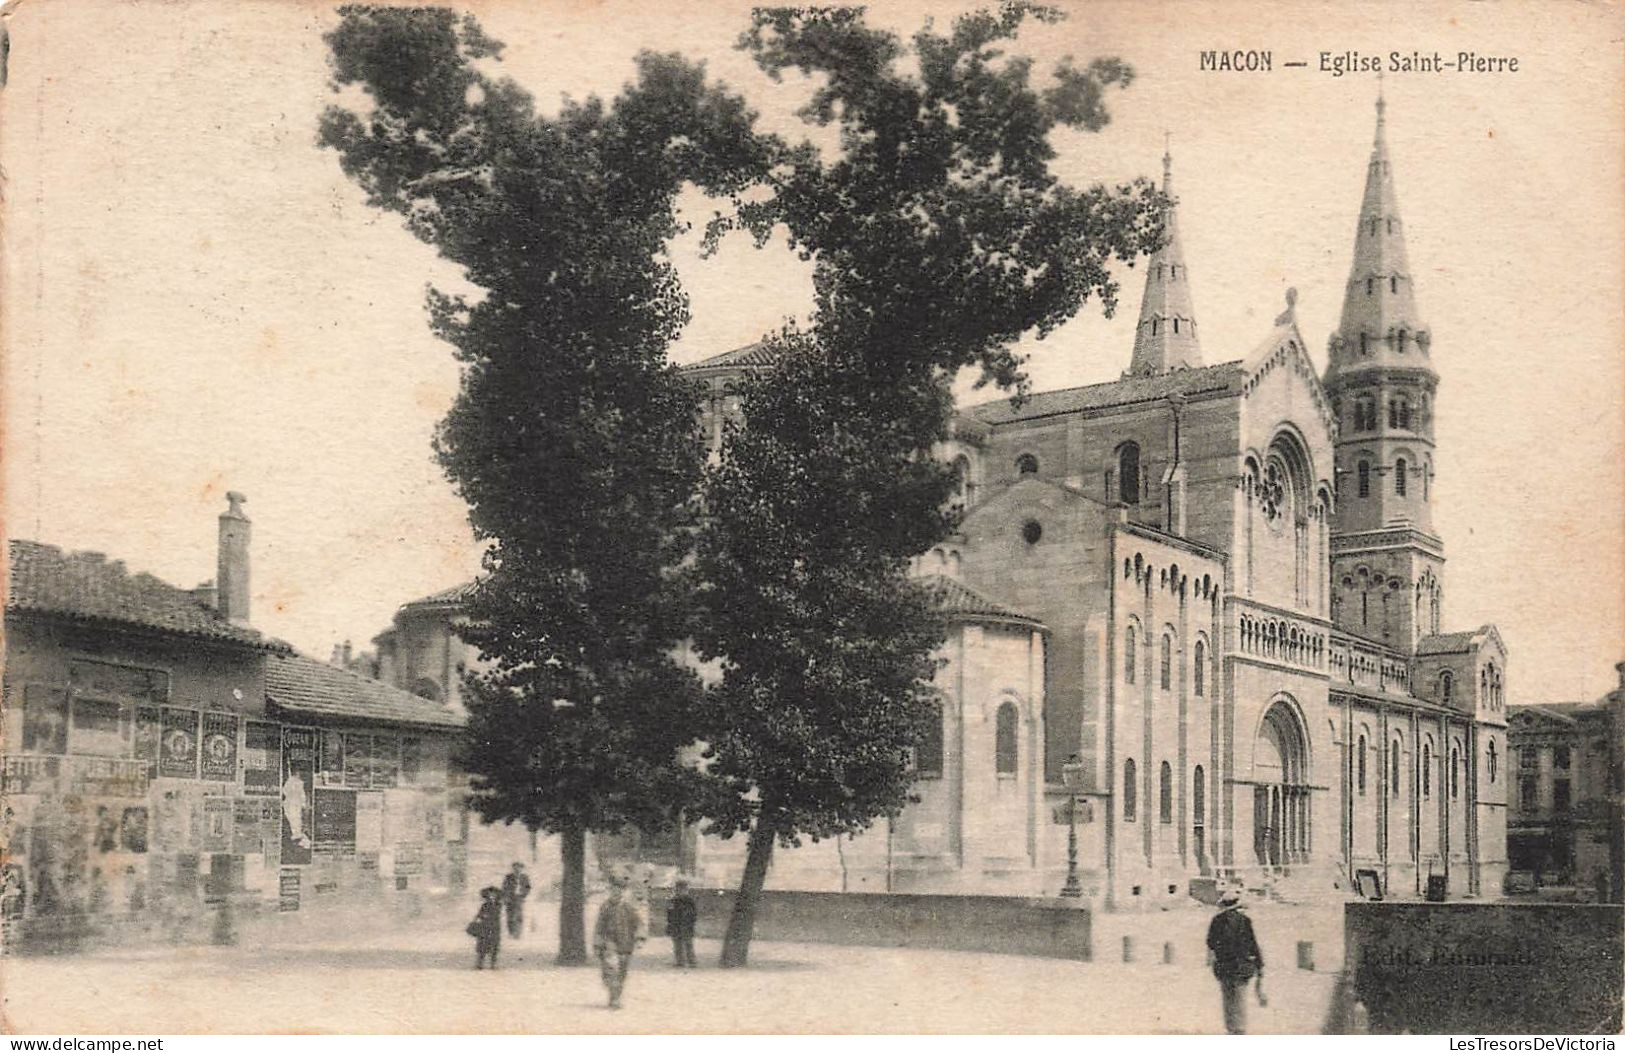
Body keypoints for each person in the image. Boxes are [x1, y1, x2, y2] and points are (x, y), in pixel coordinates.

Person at [1206, 888, 1264, 1034]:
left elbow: (1210, 943)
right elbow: (1253, 944)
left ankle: (1230, 1029)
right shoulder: (1244, 921)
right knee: (1240, 998)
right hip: (1241, 966)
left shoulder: (1216, 921)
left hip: (1223, 966)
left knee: (1227, 998)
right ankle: (1240, 1030)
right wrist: (1259, 964)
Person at [593, 874, 646, 1009]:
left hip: (626, 944)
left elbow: (639, 923)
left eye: (620, 890)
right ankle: (614, 998)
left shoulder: (629, 907)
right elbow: (599, 926)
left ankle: (616, 995)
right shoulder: (605, 907)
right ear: (610, 890)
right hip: (609, 943)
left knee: (622, 972)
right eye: (614, 889)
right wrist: (598, 944)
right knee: (612, 969)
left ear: (624, 891)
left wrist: (639, 938)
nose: (616, 892)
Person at [469, 886, 503, 970]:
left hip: (495, 927)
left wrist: (486, 916)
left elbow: (496, 914)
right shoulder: (484, 905)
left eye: (493, 894)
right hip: (485, 927)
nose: (491, 896)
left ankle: (493, 964)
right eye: (490, 895)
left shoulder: (498, 905)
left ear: (496, 896)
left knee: (494, 946)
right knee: (482, 946)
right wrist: (479, 917)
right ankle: (480, 964)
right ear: (487, 896)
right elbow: (479, 914)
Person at [666, 878, 698, 968]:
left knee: (687, 943)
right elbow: (669, 913)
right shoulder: (674, 900)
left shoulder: (689, 900)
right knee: (678, 944)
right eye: (678, 889)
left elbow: (693, 914)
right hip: (676, 925)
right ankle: (681, 961)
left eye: (682, 889)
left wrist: (690, 922)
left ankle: (691, 961)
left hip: (685, 925)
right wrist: (670, 924)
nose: (679, 891)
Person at [501, 862, 531, 940]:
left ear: (522, 868)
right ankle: (511, 932)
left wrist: (524, 894)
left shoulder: (525, 877)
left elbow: (528, 887)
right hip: (510, 898)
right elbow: (504, 887)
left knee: (519, 915)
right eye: (515, 867)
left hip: (519, 898)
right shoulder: (508, 877)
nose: (517, 869)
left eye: (519, 867)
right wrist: (506, 897)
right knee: (510, 916)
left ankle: (518, 933)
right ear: (513, 868)